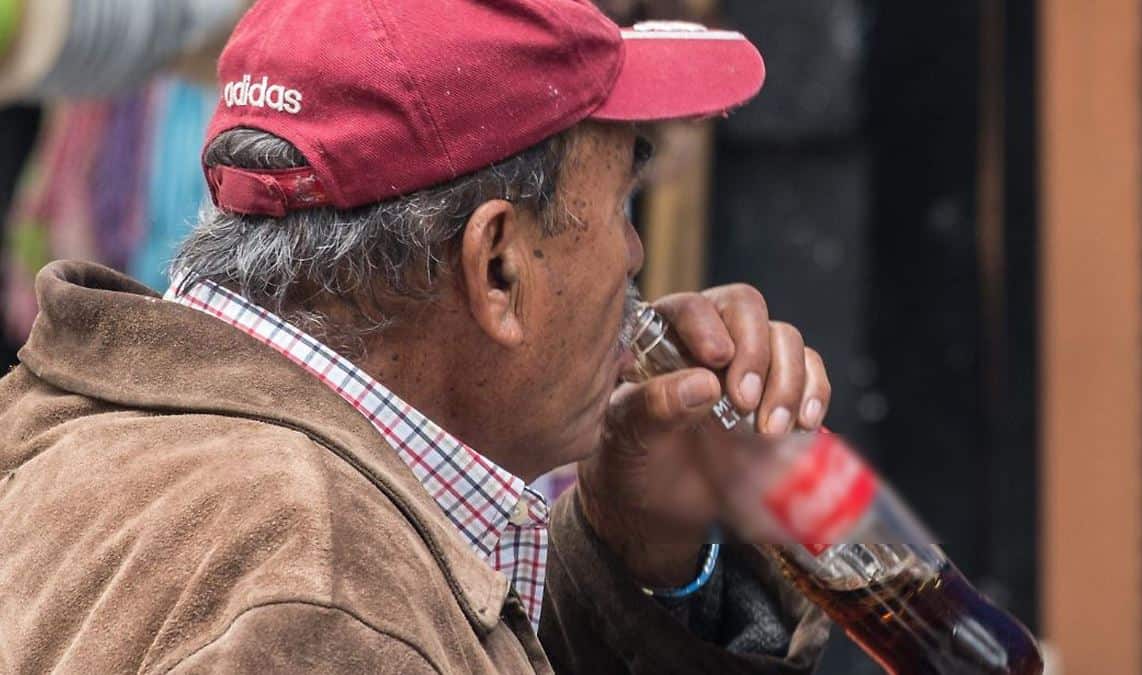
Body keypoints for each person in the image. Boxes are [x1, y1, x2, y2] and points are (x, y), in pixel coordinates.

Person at [0, 1, 834, 672]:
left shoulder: (70, 435)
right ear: (498, 267)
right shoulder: (324, 612)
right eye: (622, 204)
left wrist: (630, 555)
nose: (636, 256)